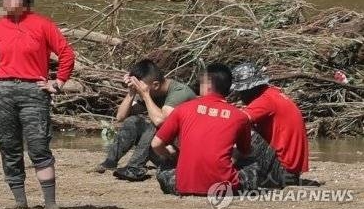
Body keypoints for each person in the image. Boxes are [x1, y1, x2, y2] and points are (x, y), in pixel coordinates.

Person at [0, 0, 75, 209]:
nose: (6, 0)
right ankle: (20, 202)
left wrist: (57, 83)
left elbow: (67, 54)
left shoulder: (43, 24)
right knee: (8, 145)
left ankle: (50, 203)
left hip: (34, 92)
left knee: (39, 145)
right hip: (3, 92)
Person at [152, 63, 259, 195]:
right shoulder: (240, 117)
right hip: (225, 188)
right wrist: (231, 158)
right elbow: (244, 151)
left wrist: (173, 157)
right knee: (252, 163)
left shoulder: (183, 109)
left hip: (184, 187)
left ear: (207, 85)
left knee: (164, 166)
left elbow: (156, 144)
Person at [95, 59, 196, 181]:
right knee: (133, 121)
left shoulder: (180, 92)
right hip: (163, 150)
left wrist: (145, 95)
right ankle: (110, 161)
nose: (140, 90)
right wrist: (131, 92)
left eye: (140, 87)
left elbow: (161, 121)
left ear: (156, 85)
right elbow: (120, 117)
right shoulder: (153, 92)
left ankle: (135, 168)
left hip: (181, 154)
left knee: (155, 125)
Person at [231, 62, 309, 188]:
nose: (240, 96)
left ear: (250, 89)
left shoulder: (265, 100)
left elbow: (234, 121)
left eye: (241, 92)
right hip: (290, 171)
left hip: (283, 173)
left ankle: (228, 166)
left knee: (244, 128)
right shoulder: (272, 93)